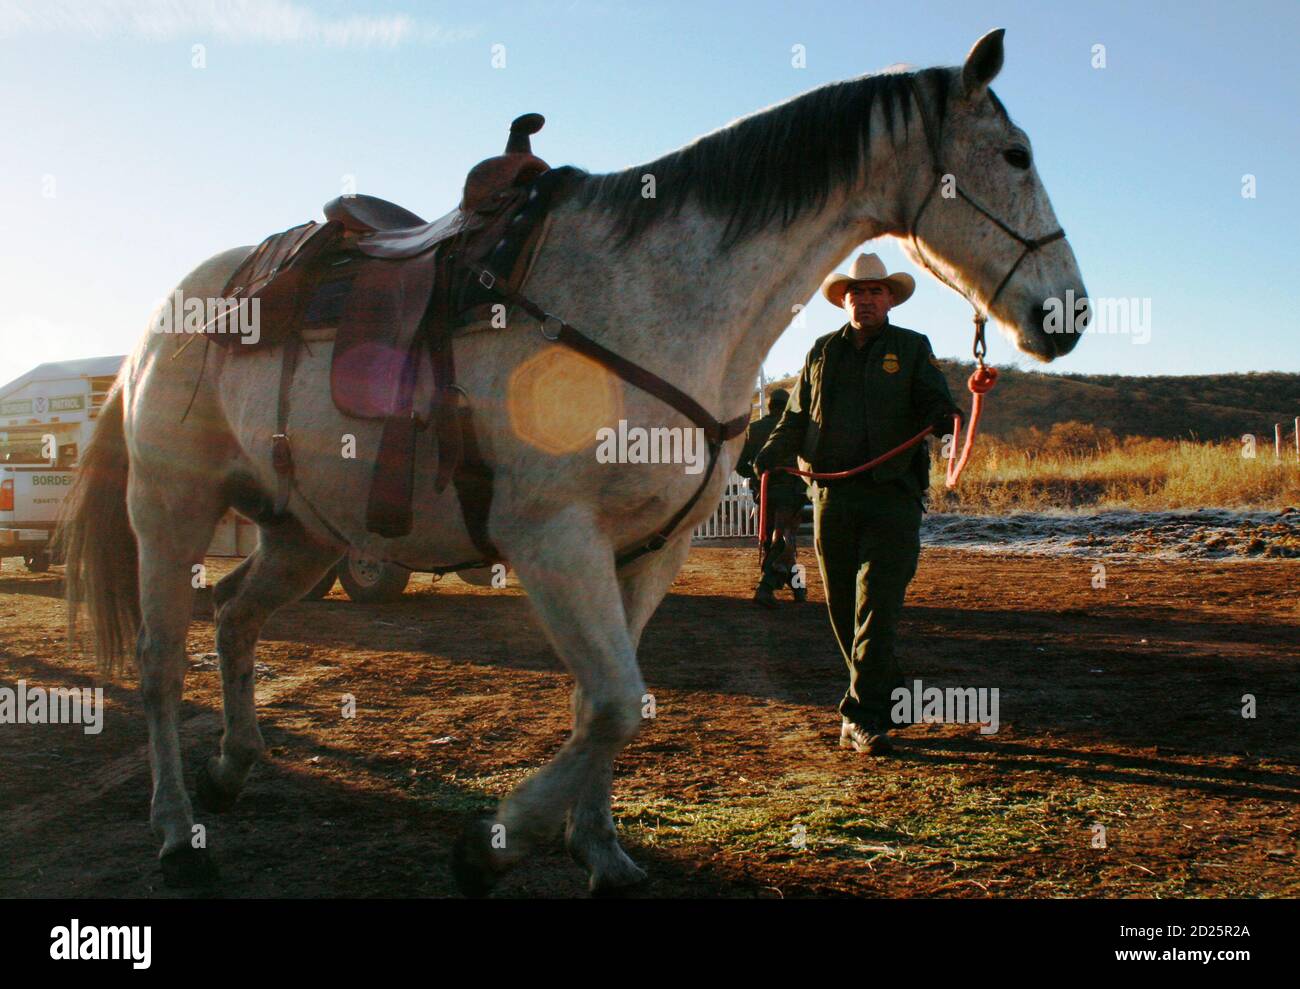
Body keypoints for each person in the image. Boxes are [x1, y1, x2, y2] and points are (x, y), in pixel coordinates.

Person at [755, 253, 962, 755]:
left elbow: (937, 402)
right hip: (833, 496)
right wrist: (770, 454)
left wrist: (947, 416)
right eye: (857, 292)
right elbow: (797, 417)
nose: (866, 300)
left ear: (889, 299)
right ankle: (886, 697)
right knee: (844, 607)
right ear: (843, 299)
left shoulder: (913, 348)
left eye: (876, 292)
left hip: (893, 494)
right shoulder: (821, 352)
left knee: (879, 603)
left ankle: (862, 717)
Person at [736, 388, 809, 607]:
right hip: (790, 491)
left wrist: (758, 477)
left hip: (765, 493)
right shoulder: (794, 429)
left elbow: (740, 466)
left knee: (775, 539)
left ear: (769, 406)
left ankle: (798, 588)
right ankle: (766, 587)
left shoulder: (755, 429)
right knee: (784, 538)